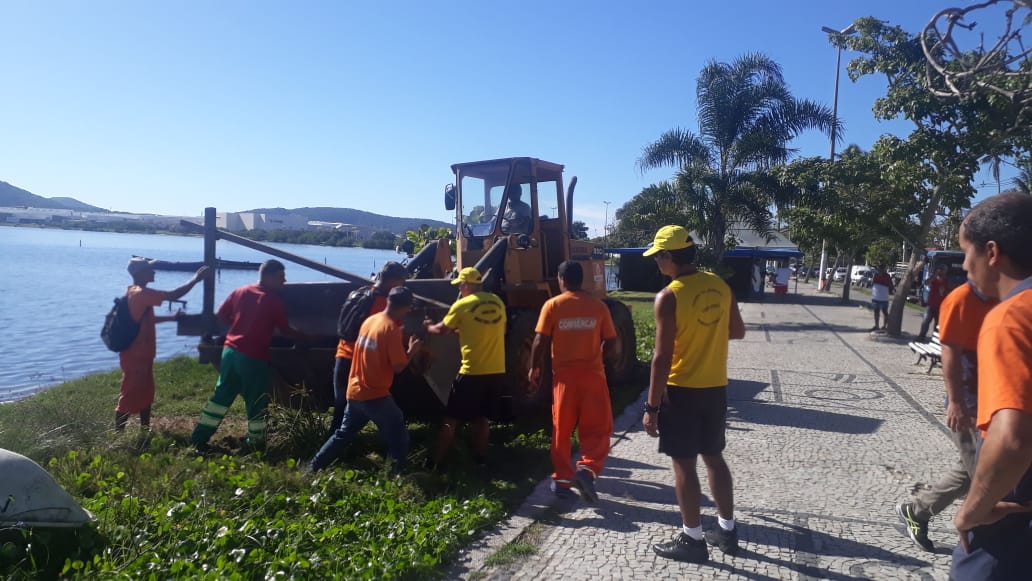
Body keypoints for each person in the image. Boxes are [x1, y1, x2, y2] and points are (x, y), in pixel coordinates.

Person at [641, 226, 746, 564]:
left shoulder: (669, 296)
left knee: (684, 466)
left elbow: (661, 357)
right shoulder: (719, 284)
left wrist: (651, 407)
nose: (656, 261)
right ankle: (727, 532)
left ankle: (693, 539)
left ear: (669, 257)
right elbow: (737, 331)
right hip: (715, 387)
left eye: (658, 255)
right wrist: (706, 338)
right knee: (714, 457)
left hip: (681, 391)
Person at [951, 192, 1032, 580]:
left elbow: (1012, 439)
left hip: (1014, 521)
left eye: (967, 253)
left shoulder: (1013, 317)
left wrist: (973, 511)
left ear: (992, 252)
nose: (965, 266)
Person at [895, 280, 996, 551]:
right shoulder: (963, 298)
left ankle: (916, 511)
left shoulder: (1009, 293)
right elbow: (949, 349)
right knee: (987, 476)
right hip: (971, 407)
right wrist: (956, 402)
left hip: (996, 404)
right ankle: (981, 541)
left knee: (972, 469)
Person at [190, 260, 307, 451]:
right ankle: (256, 445)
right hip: (252, 357)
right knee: (257, 401)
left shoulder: (240, 291)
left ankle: (198, 438)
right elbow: (285, 330)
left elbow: (221, 315)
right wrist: (306, 336)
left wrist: (238, 326)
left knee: (221, 397)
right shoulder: (273, 301)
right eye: (280, 277)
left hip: (229, 352)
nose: (284, 281)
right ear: (267, 276)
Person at [528, 261, 619, 502]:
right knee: (598, 428)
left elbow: (539, 341)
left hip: (564, 380)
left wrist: (534, 368)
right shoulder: (598, 307)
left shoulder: (553, 305)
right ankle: (587, 471)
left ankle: (562, 482)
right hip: (593, 377)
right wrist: (599, 355)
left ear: (561, 279)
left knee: (562, 430)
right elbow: (612, 341)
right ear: (582, 280)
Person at [310, 287, 423, 474]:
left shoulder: (371, 320)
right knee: (399, 434)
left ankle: (313, 466)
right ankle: (397, 475)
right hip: (374, 394)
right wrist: (412, 350)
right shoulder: (391, 329)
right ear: (406, 307)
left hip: (355, 390)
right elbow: (399, 367)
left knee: (343, 434)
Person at [424, 267, 506, 468]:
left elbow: (442, 330)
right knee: (482, 418)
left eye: (460, 285)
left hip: (472, 371)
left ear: (468, 285)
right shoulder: (497, 302)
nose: (459, 289)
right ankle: (480, 460)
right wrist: (465, 331)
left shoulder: (462, 304)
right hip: (496, 370)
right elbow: (498, 331)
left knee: (451, 419)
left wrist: (427, 325)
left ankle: (437, 463)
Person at [115, 258, 209, 431]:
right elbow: (173, 295)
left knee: (146, 392)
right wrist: (195, 279)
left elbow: (145, 320)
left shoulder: (134, 292)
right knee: (130, 392)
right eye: (150, 270)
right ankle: (117, 433)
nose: (154, 272)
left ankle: (145, 429)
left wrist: (171, 318)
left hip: (143, 353)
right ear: (140, 273)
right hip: (135, 354)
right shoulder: (142, 293)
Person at [330, 261, 409, 435]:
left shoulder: (359, 293)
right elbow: (393, 338)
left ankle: (331, 450)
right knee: (377, 409)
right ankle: (393, 446)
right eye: (402, 282)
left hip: (342, 355)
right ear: (394, 281)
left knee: (341, 408)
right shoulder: (385, 307)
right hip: (362, 365)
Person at [917, 267, 948, 342]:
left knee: (937, 325)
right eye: (941, 270)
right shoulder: (934, 279)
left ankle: (934, 339)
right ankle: (921, 337)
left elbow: (946, 292)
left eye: (943, 271)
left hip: (940, 306)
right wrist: (934, 275)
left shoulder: (945, 281)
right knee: (925, 321)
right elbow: (926, 283)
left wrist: (943, 292)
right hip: (930, 305)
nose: (942, 272)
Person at [870, 265, 894, 331]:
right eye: (879, 269)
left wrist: (889, 288)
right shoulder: (875, 275)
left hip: (884, 298)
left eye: (881, 269)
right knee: (876, 312)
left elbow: (891, 286)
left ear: (884, 269)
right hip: (876, 297)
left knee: (885, 312)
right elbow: (872, 283)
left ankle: (884, 326)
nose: (880, 270)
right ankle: (876, 326)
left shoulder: (887, 276)